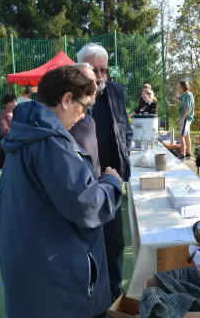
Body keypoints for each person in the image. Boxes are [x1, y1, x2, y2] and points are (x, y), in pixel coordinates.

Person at [0, 66, 122, 318]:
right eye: (83, 107)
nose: (83, 115)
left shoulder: (23, 135)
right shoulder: (51, 143)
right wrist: (111, 182)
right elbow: (87, 204)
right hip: (56, 281)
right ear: (66, 100)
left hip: (28, 270)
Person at [77, 43, 133, 300]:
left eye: (103, 69)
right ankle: (91, 293)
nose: (99, 76)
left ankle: (113, 287)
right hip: (83, 181)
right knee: (86, 240)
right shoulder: (71, 97)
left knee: (114, 240)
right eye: (94, 69)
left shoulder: (115, 92)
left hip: (111, 178)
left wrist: (123, 160)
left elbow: (125, 129)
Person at [69, 62, 101, 178]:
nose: (96, 87)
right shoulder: (64, 123)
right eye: (90, 82)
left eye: (96, 82)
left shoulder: (89, 116)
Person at [175, 80, 195, 160]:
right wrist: (176, 90)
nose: (178, 87)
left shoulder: (188, 95)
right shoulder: (184, 95)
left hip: (186, 118)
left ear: (182, 87)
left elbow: (188, 108)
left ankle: (182, 154)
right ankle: (188, 153)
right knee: (186, 136)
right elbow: (176, 98)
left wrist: (182, 119)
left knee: (180, 136)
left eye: (179, 86)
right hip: (186, 118)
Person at [0, 94, 16, 169]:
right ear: (5, 104)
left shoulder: (17, 112)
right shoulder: (2, 114)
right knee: (7, 168)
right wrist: (16, 134)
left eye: (14, 102)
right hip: (7, 143)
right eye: (11, 102)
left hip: (16, 142)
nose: (14, 104)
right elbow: (4, 129)